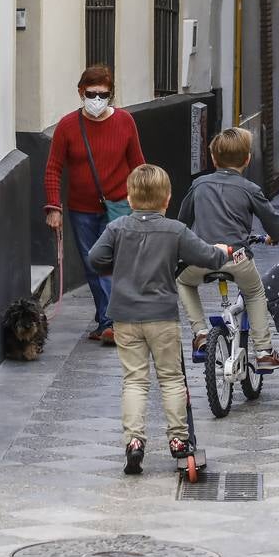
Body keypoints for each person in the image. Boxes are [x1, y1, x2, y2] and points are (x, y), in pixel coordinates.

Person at [87, 164, 231, 475]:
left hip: (124, 318)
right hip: (162, 318)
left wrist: (119, 268)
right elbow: (205, 256)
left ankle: (134, 442)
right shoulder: (175, 230)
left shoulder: (117, 229)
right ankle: (179, 440)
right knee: (171, 379)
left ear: (128, 197)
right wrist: (223, 252)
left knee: (134, 381)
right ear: (167, 198)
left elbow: (95, 259)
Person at [43, 64, 146, 345]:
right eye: (92, 94)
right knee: (93, 264)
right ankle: (107, 320)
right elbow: (53, 168)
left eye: (104, 95)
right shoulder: (67, 126)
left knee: (113, 263)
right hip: (82, 210)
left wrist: (145, 203)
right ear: (80, 92)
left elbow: (138, 164)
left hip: (120, 206)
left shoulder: (125, 122)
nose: (98, 100)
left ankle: (112, 321)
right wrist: (54, 206)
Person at [176, 127, 279, 370]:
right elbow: (276, 227)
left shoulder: (199, 185)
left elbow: (181, 224)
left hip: (201, 258)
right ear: (247, 159)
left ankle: (201, 333)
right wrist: (275, 236)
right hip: (237, 258)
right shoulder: (250, 189)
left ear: (214, 159)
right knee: (255, 292)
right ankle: (263, 350)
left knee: (183, 282)